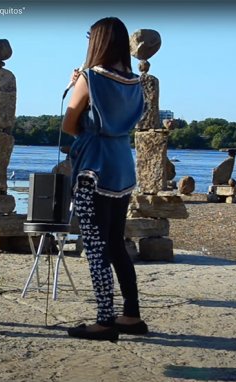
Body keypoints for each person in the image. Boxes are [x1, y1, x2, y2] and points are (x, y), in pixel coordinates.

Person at [61, 17, 148, 341]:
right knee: (116, 244)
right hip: (122, 166)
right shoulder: (135, 82)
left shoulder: (90, 78)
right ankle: (131, 314)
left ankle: (104, 320)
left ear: (96, 42)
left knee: (96, 246)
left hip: (92, 169)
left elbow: (70, 125)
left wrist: (73, 87)